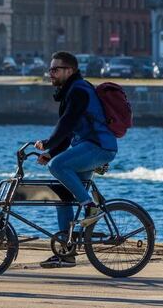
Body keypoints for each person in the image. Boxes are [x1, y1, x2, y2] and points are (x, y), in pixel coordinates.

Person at [34, 51, 118, 269]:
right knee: (63, 196)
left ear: (69, 70)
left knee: (58, 166)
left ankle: (91, 206)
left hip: (99, 147)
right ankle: (67, 253)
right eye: (50, 69)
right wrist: (50, 151)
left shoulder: (78, 90)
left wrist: (48, 144)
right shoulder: (71, 90)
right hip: (86, 146)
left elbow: (67, 124)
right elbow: (69, 133)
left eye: (55, 69)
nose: (50, 73)